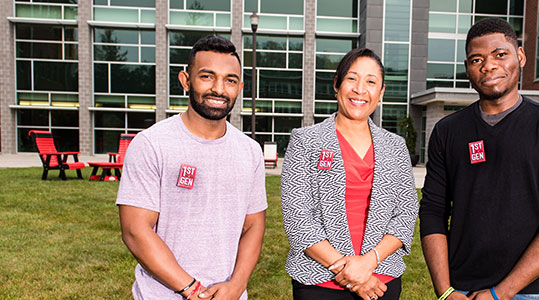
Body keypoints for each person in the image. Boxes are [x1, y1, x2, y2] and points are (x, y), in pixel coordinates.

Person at [419, 18, 539, 300]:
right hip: (459, 289)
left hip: (525, 291)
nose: (489, 65)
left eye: (500, 54)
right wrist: (445, 291)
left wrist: (501, 293)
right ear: (468, 69)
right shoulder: (448, 131)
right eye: (477, 59)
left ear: (520, 57)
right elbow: (433, 212)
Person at [117, 35, 267, 300]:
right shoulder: (152, 144)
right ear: (186, 80)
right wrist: (192, 290)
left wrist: (237, 285)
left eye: (230, 80)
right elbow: (135, 230)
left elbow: (254, 226)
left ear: (240, 86)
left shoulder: (250, 151)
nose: (219, 89)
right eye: (207, 76)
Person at [280, 48, 418, 300]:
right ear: (337, 84)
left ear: (381, 92)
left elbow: (406, 213)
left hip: (381, 280)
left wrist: (368, 263)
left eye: (371, 82)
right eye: (352, 79)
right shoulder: (305, 141)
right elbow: (298, 217)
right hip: (319, 281)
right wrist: (349, 271)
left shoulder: (395, 146)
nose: (360, 90)